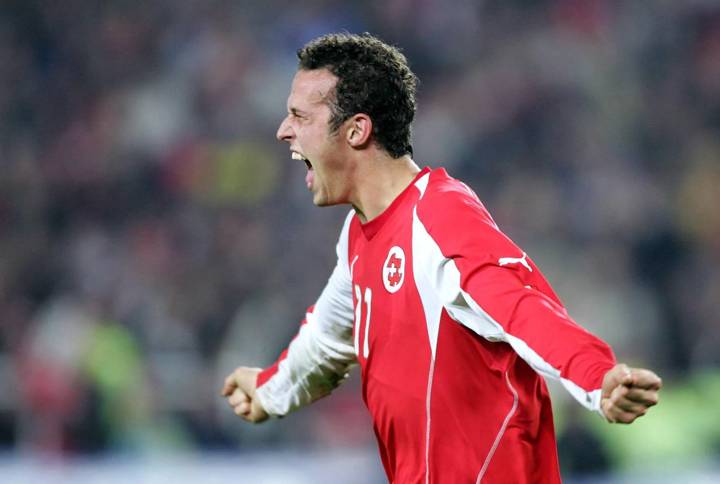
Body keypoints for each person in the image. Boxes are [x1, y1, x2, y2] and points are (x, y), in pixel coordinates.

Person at [221, 33, 662, 483]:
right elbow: (329, 337)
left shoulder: (438, 216)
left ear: (356, 130)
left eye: (299, 115)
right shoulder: (359, 234)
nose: (283, 130)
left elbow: (521, 309)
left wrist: (596, 376)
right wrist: (269, 391)